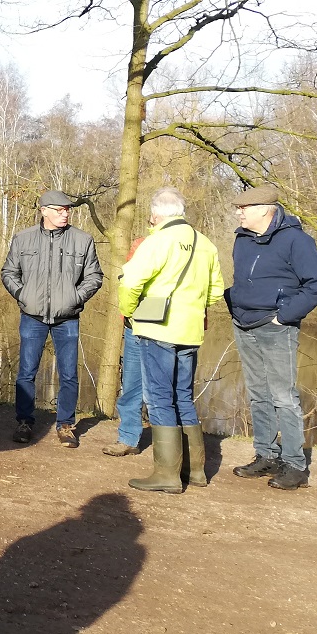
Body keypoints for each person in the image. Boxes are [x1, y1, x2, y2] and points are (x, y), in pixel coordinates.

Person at [118, 188, 224, 494]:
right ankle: (196, 471)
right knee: (182, 397)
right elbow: (216, 291)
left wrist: (130, 311)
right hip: (190, 330)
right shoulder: (205, 244)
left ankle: (167, 474)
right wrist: (190, 307)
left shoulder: (157, 241)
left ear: (156, 214)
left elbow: (131, 281)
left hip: (157, 328)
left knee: (161, 398)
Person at [226, 185, 317, 489]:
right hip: (244, 324)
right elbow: (240, 280)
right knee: (259, 394)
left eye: (244, 207)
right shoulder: (242, 239)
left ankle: (295, 465)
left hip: (276, 327)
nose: (239, 211)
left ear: (264, 209)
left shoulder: (297, 240)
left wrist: (284, 315)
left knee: (284, 397)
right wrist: (233, 304)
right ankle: (266, 455)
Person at [0, 188, 103, 447]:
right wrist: (24, 295)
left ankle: (66, 425)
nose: (65, 214)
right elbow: (9, 272)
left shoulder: (83, 240)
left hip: (67, 317)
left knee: (69, 374)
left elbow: (94, 276)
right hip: (32, 315)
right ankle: (24, 422)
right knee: (26, 372)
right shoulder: (23, 239)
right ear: (43, 210)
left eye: (67, 209)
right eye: (59, 209)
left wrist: (75, 298)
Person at [103, 235, 148, 458]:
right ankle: (129, 438)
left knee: (172, 390)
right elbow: (127, 280)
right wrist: (129, 314)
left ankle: (174, 447)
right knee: (131, 385)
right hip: (137, 325)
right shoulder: (141, 244)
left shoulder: (194, 245)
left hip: (174, 329)